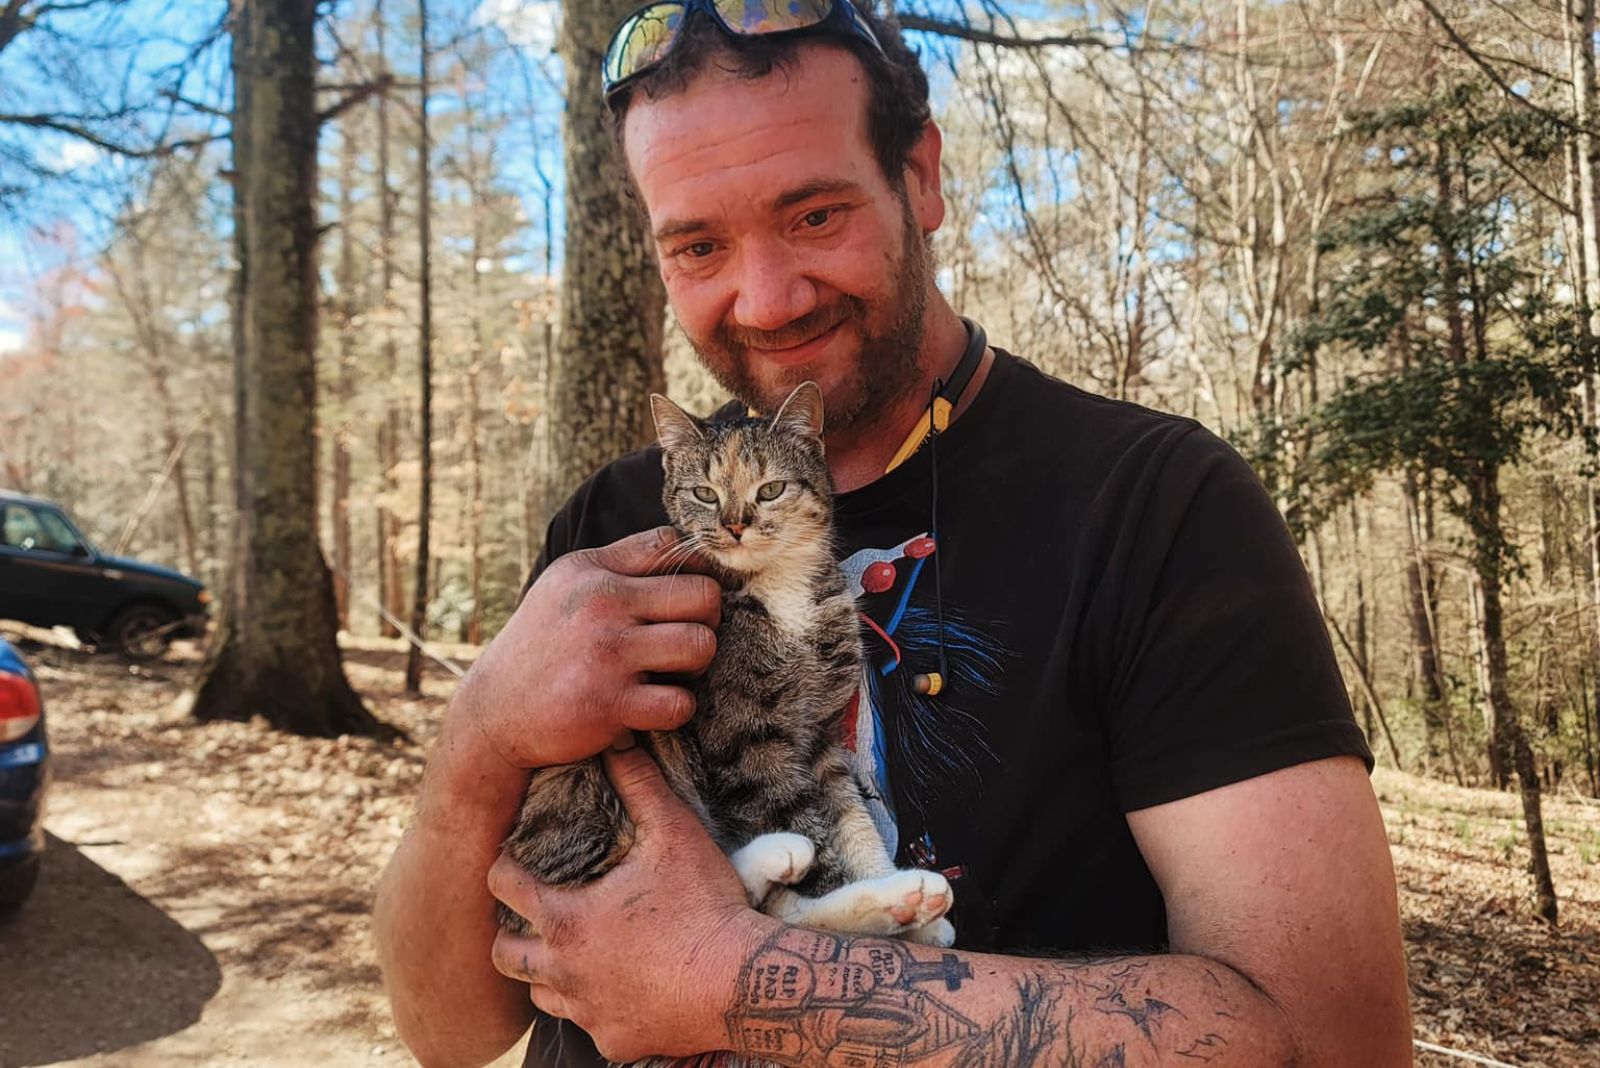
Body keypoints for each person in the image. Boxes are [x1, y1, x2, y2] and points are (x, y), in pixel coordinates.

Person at [373, 3, 1412, 1065]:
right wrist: (477, 739)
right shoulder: (613, 524)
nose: (766, 299)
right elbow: (451, 1035)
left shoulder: (1156, 506)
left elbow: (1335, 1042)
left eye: (814, 215)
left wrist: (731, 982)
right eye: (697, 244)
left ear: (920, 177)